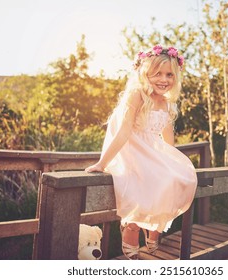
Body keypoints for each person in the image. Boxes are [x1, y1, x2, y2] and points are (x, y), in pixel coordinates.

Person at [85, 45, 197, 260]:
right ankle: (132, 226)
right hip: (130, 150)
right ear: (145, 74)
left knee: (174, 177)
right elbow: (124, 130)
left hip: (151, 150)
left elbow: (167, 137)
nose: (163, 79)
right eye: (157, 74)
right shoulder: (137, 95)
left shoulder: (166, 102)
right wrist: (102, 162)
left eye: (169, 74)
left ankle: (155, 226)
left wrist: (171, 160)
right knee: (139, 184)